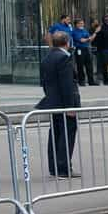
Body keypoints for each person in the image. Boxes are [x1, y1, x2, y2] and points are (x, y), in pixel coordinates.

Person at [39, 32, 81, 179]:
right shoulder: (64, 58)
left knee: (55, 134)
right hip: (65, 103)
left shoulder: (47, 58)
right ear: (67, 43)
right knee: (66, 135)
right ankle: (63, 168)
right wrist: (70, 106)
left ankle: (54, 167)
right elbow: (67, 84)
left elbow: (44, 83)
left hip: (53, 101)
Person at [92, 17, 108, 85]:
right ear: (103, 21)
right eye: (106, 20)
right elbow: (96, 40)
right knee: (104, 67)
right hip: (103, 50)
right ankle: (106, 81)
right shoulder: (100, 29)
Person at [71, 19, 93, 86]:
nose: (82, 25)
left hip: (86, 49)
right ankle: (81, 81)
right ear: (76, 24)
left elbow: (90, 38)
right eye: (80, 23)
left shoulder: (84, 30)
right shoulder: (74, 32)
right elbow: (81, 40)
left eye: (82, 23)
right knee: (80, 65)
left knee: (89, 65)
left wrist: (87, 39)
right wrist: (87, 39)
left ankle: (91, 81)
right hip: (79, 49)